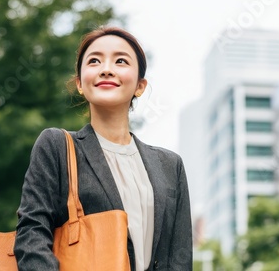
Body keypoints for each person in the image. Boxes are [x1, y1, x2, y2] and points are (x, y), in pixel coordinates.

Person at [14, 26, 192, 271]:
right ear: (79, 83)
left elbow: (179, 256)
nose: (106, 69)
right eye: (95, 61)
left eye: (120, 61)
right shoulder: (56, 146)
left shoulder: (170, 165)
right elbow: (31, 233)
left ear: (140, 85)